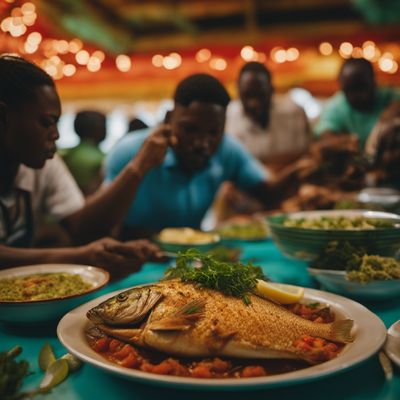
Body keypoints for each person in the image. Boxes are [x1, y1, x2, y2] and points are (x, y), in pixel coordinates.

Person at [0, 55, 161, 272]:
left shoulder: (46, 164)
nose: (56, 135)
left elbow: (83, 228)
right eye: (47, 123)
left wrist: (139, 166)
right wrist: (79, 256)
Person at [105, 73, 309, 238]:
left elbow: (269, 195)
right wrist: (139, 167)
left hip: (190, 258)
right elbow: (96, 227)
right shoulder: (130, 151)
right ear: (168, 119)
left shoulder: (228, 149)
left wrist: (303, 168)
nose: (202, 143)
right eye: (190, 129)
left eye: (213, 133)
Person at [225, 62, 310, 168]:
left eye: (260, 95)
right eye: (248, 95)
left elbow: (304, 154)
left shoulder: (293, 112)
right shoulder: (228, 115)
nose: (254, 102)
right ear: (238, 89)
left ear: (271, 89)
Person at [314, 57, 400, 149]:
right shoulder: (337, 105)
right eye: (350, 90)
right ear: (341, 86)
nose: (358, 96)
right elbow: (324, 131)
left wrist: (394, 110)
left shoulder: (388, 96)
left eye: (362, 88)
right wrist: (336, 142)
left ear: (374, 82)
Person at [62, 110, 106, 195]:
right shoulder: (103, 158)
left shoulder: (64, 154)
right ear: (96, 128)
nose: (106, 130)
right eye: (104, 125)